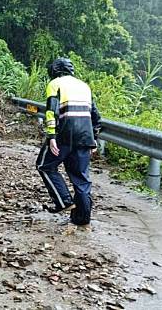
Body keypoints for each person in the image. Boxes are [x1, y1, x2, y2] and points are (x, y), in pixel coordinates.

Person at [36, 57, 102, 230]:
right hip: (85, 136)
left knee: (44, 165)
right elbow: (95, 115)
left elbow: (51, 111)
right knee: (81, 178)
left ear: (54, 70)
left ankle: (63, 201)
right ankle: (82, 219)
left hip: (64, 134)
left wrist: (51, 136)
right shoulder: (84, 86)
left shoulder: (55, 83)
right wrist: (93, 138)